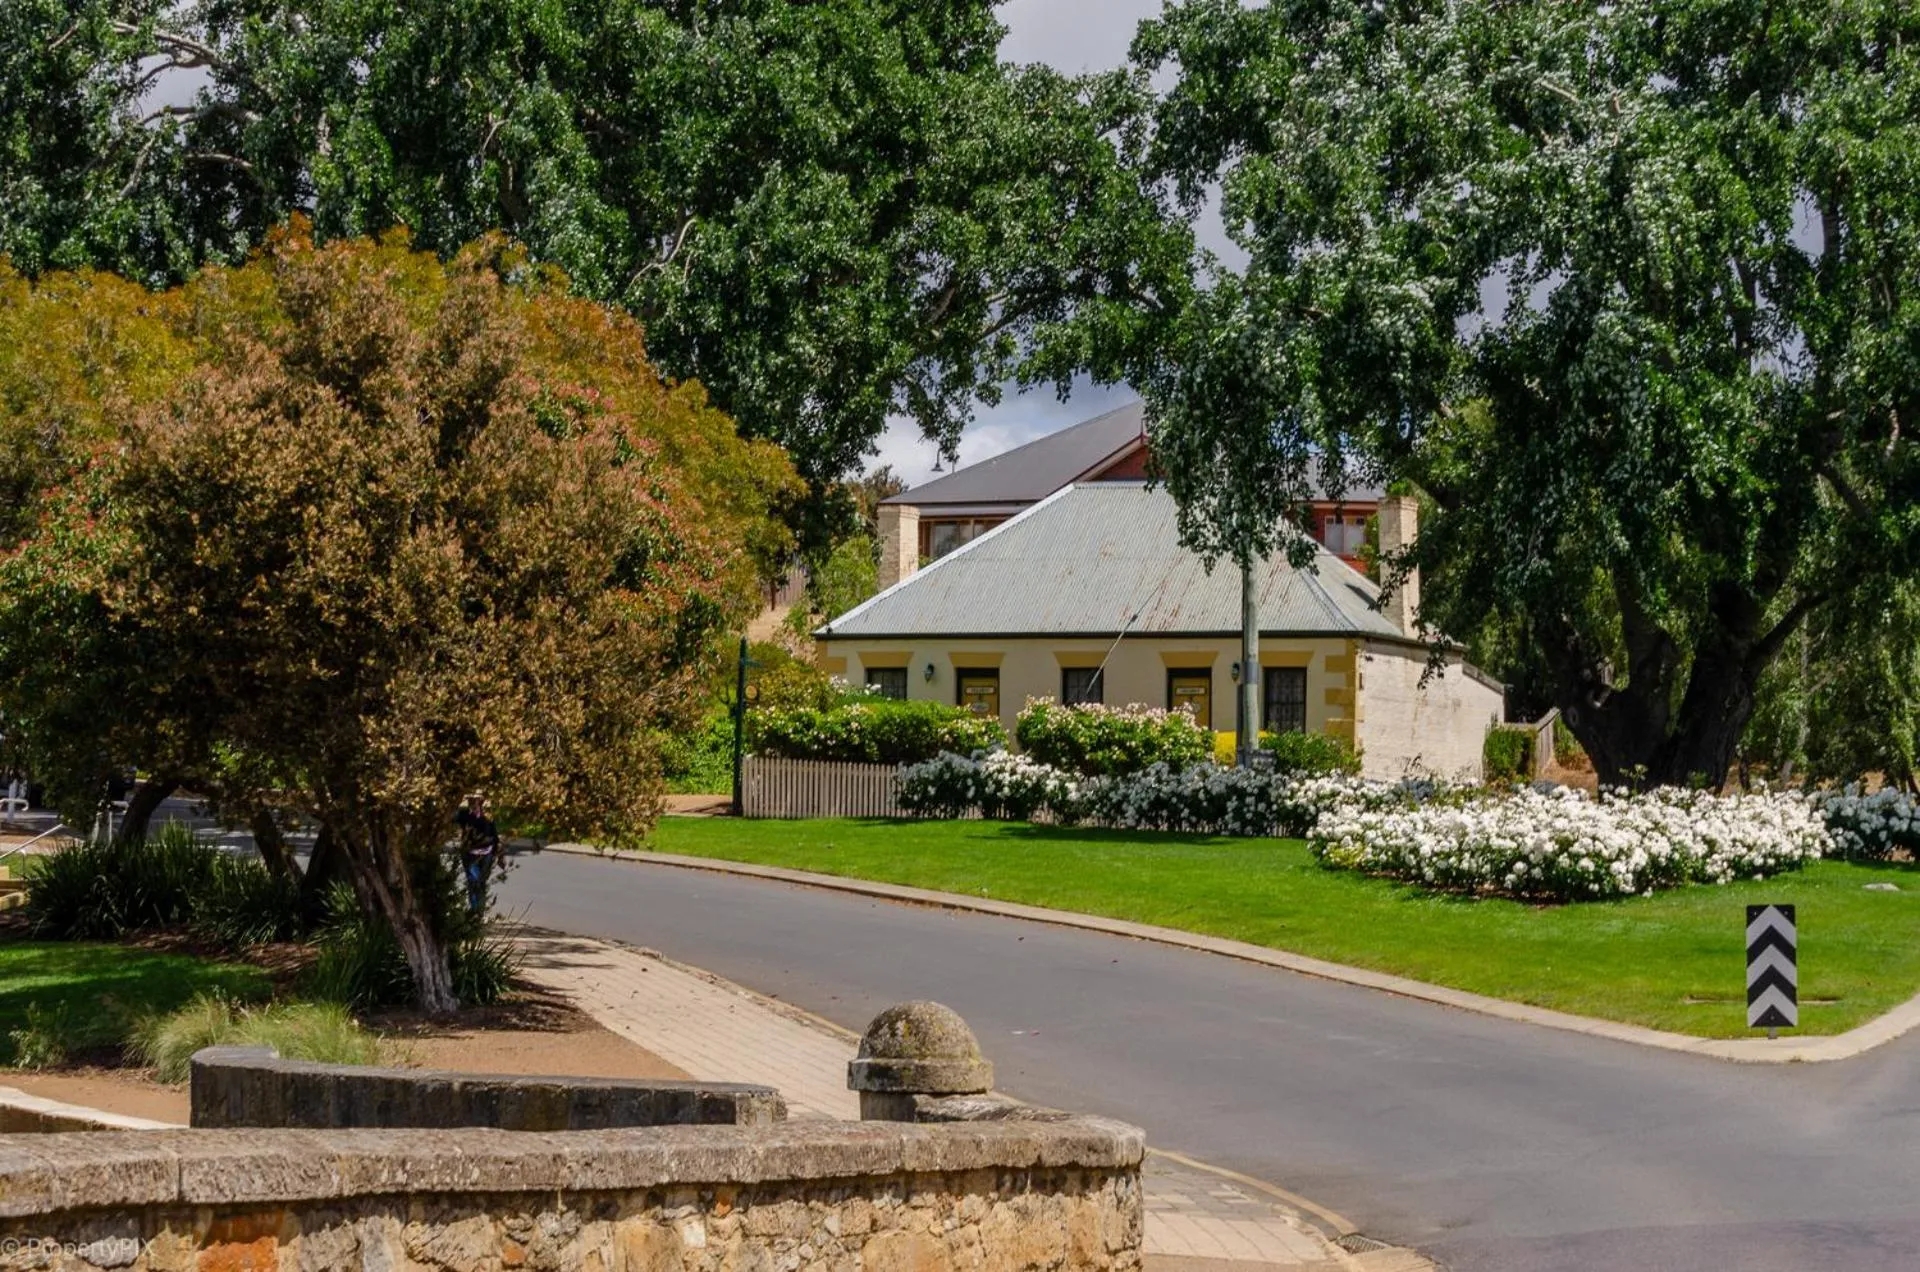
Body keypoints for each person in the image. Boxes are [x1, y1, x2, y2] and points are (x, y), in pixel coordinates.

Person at [453, 795, 500, 915]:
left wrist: (496, 853)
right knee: (474, 881)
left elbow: (494, 836)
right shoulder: (464, 816)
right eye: (471, 802)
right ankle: (474, 910)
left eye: (476, 801)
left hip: (486, 854)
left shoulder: (488, 818)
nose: (474, 804)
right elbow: (453, 817)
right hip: (471, 855)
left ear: (480, 803)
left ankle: (480, 911)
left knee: (481, 882)